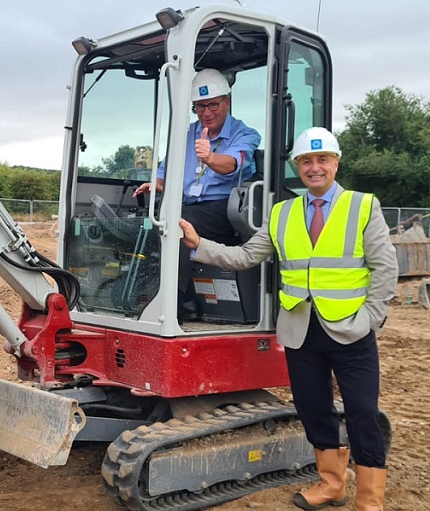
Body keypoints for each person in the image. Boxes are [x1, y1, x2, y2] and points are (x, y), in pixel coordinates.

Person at [179, 127, 397, 511]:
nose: (315, 168)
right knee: (313, 408)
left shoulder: (364, 206)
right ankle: (331, 484)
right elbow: (246, 256)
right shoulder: (282, 213)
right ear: (298, 166)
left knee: (362, 413)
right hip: (301, 329)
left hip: (351, 329)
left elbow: (385, 268)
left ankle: (370, 500)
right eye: (306, 161)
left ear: (335, 163)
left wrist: (371, 318)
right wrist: (200, 245)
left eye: (322, 160)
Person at [134, 68, 261, 321]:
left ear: (227, 101)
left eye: (213, 105)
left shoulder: (245, 135)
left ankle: (173, 306)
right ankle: (148, 294)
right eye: (199, 107)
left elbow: (233, 163)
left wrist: (210, 157)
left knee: (177, 220)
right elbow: (166, 167)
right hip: (189, 206)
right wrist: (158, 183)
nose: (206, 113)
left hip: (226, 210)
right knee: (146, 217)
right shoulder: (187, 133)